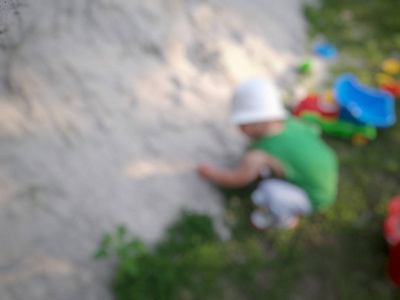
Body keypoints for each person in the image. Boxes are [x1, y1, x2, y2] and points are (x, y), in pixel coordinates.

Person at [198, 79, 338, 230]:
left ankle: (285, 219)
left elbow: (238, 179)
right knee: (276, 168)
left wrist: (209, 173)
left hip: (315, 197)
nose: (239, 127)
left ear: (258, 122)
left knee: (265, 192)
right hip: (328, 171)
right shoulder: (293, 123)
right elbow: (313, 131)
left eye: (242, 123)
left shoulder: (259, 154)